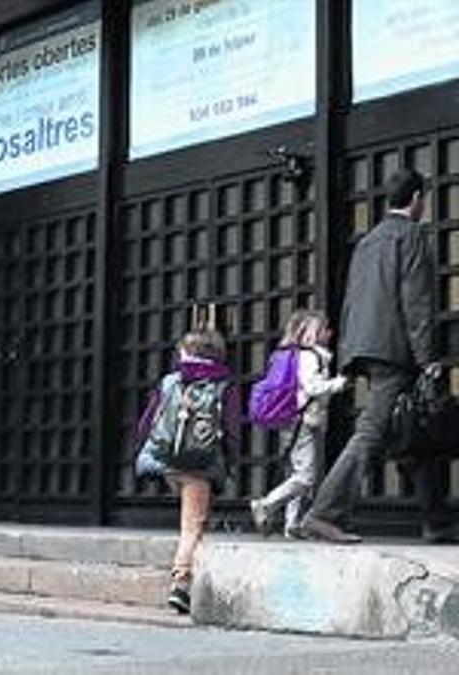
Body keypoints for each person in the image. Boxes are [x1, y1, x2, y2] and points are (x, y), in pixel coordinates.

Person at [300, 169, 449, 544]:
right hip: (395, 350)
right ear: (416, 198)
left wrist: (349, 353)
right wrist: (427, 356)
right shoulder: (411, 235)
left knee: (414, 428)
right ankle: (323, 513)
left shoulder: (369, 240)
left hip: (366, 346)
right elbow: (416, 301)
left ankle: (437, 520)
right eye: (422, 199)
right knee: (372, 433)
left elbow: (354, 298)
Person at [134, 328, 241, 614]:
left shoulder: (170, 381)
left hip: (169, 462)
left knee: (192, 522)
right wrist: (229, 460)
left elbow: (148, 422)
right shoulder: (224, 384)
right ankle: (181, 584)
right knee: (193, 526)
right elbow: (230, 429)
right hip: (201, 464)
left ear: (186, 352)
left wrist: (146, 450)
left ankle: (190, 577)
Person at [249, 310, 348, 539]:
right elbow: (312, 387)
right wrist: (339, 384)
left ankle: (292, 524)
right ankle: (265, 505)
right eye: (323, 329)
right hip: (302, 420)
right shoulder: (310, 356)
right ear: (310, 333)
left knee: (298, 472)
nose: (329, 333)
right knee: (306, 477)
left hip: (295, 419)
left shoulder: (294, 355)